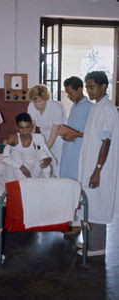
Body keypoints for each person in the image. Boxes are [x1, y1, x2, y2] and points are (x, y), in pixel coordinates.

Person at [77, 71, 119, 257]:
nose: (88, 90)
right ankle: (89, 243)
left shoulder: (107, 110)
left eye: (92, 86)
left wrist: (97, 170)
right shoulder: (97, 107)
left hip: (100, 168)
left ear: (103, 87)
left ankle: (97, 247)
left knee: (97, 205)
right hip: (92, 165)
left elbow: (106, 142)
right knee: (90, 204)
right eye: (87, 87)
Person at [59, 76, 94, 235]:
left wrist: (74, 135)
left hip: (79, 152)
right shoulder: (74, 106)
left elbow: (92, 133)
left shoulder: (89, 108)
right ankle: (69, 221)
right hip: (69, 151)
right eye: (67, 93)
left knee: (77, 187)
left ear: (80, 89)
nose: (69, 96)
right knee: (67, 187)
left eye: (71, 92)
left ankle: (78, 223)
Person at [0, 112, 53, 184]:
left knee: (42, 152)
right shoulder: (13, 138)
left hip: (35, 170)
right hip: (20, 171)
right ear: (17, 128)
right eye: (21, 128)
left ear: (31, 126)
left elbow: (45, 150)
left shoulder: (38, 137)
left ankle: (47, 182)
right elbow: (5, 158)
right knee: (16, 153)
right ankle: (23, 185)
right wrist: (21, 167)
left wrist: (49, 158)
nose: (25, 131)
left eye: (27, 127)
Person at [27, 84, 67, 177]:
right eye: (34, 102)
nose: (36, 105)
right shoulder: (31, 106)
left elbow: (53, 136)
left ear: (46, 99)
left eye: (39, 101)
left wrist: (44, 151)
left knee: (56, 166)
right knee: (44, 165)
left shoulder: (56, 107)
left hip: (59, 139)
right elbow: (32, 127)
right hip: (44, 136)